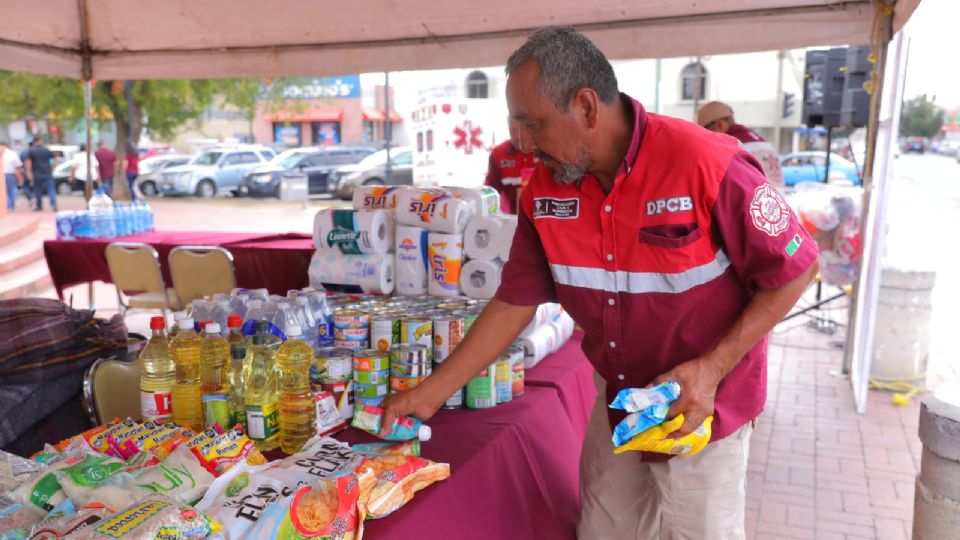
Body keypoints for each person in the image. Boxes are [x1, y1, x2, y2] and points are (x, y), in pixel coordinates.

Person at [378, 27, 819, 539]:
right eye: (515, 125)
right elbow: (513, 302)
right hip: (619, 405)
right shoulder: (543, 191)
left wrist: (712, 369)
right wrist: (431, 393)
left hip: (707, 409)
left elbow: (796, 268)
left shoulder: (706, 162)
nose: (522, 144)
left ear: (586, 107)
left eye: (532, 124)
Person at [697, 101, 785, 188]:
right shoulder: (763, 141)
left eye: (705, 131)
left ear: (719, 124)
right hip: (778, 199)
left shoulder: (729, 145)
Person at [484, 118, 538, 214]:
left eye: (522, 130)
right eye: (513, 130)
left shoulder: (544, 152)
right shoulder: (498, 154)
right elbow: (489, 192)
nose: (517, 136)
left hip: (541, 218)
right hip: (510, 220)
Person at [24, 136, 56, 212]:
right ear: (39, 141)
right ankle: (53, 204)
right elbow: (55, 159)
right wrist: (53, 169)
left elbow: (28, 161)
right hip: (47, 172)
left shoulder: (30, 150)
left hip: (36, 173)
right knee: (51, 189)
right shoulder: (46, 149)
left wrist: (28, 172)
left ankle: (39, 206)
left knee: (37, 190)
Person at [1, 140, 24, 212]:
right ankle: (10, 205)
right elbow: (18, 166)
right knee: (10, 190)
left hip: (7, 174)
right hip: (10, 174)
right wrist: (19, 176)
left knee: (6, 191)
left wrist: (19, 176)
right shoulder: (12, 154)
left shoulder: (11, 154)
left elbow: (18, 167)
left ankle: (9, 205)